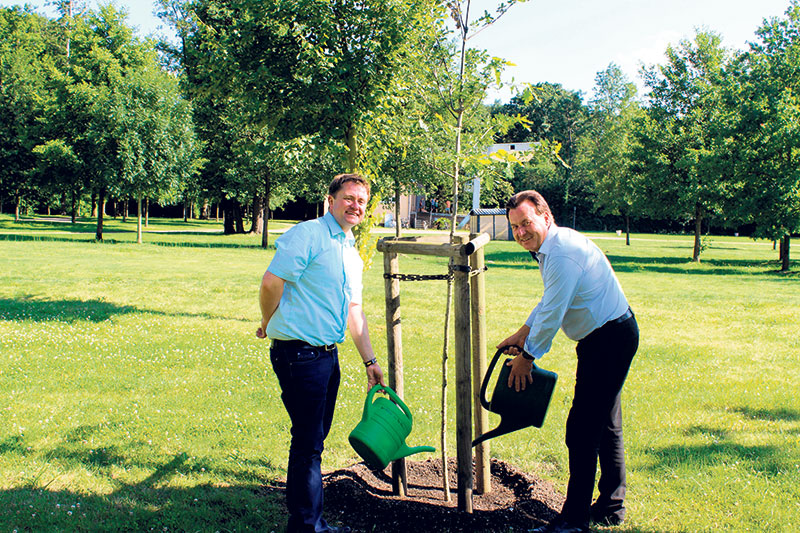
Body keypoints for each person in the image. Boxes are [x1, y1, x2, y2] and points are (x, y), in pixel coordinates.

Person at [497, 190, 639, 533]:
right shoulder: (551, 248)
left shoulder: (561, 253)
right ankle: (610, 507)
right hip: (606, 337)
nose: (520, 233)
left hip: (609, 340)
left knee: (582, 430)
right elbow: (550, 300)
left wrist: (527, 357)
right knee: (605, 424)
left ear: (546, 217)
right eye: (515, 227)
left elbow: (553, 313)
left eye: (526, 223)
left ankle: (574, 520)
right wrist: (522, 332)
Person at [256, 173, 385, 533]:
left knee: (312, 440)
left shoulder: (350, 250)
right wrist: (268, 321)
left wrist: (370, 361)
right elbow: (271, 281)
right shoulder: (309, 234)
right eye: (348, 198)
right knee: (309, 443)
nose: (355, 205)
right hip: (299, 357)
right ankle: (306, 525)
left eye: (361, 200)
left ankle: (308, 520)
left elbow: (353, 310)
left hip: (327, 357)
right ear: (330, 200)